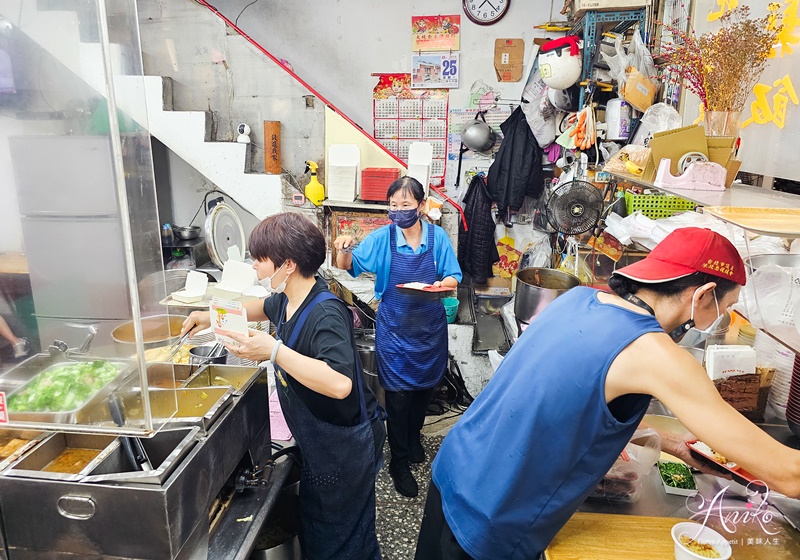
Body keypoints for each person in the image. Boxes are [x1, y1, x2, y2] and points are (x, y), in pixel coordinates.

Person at [415, 227, 800, 560]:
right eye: (726, 307)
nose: (723, 318)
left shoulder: (579, 299)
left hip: (452, 474)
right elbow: (789, 474)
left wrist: (671, 443)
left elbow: (574, 400)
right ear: (702, 295)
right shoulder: (657, 353)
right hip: (491, 518)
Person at [182, 212, 385, 560]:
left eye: (260, 259)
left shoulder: (325, 312)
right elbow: (257, 307)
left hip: (345, 445)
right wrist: (209, 315)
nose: (255, 267)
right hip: (321, 440)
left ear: (287, 264)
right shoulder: (289, 299)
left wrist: (273, 350)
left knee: (343, 537)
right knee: (321, 525)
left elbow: (340, 384)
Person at [334, 176, 462, 498]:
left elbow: (452, 276)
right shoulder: (382, 238)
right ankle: (399, 461)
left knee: (422, 391)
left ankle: (415, 439)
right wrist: (342, 248)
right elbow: (348, 265)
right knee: (399, 397)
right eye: (393, 205)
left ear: (420, 206)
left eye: (405, 205)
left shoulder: (438, 238)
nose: (398, 211)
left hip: (429, 330)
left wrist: (441, 285)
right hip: (394, 329)